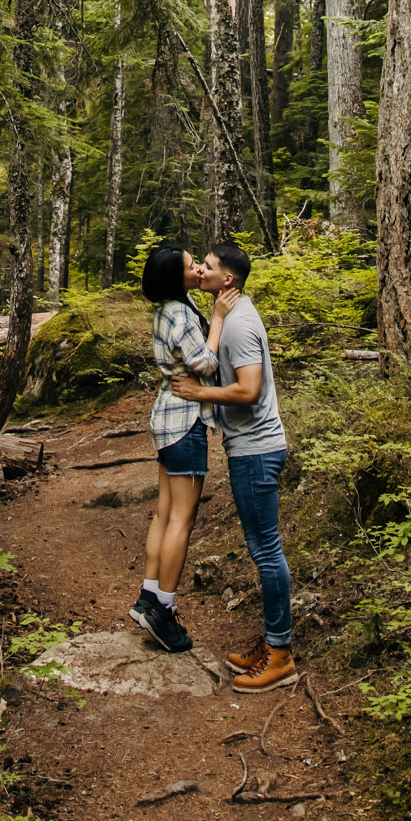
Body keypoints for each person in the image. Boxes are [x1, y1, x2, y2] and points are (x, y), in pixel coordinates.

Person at [173, 239, 296, 690]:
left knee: (266, 551)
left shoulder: (240, 323)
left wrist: (197, 393)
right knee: (263, 549)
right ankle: (272, 641)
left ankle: (281, 655)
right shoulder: (232, 315)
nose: (200, 272)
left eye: (206, 267)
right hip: (250, 448)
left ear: (227, 279)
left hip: (256, 451)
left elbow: (249, 390)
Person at [132, 242, 239, 655]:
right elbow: (207, 365)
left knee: (163, 513)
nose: (198, 270)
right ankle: (164, 609)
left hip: (166, 417)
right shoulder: (182, 313)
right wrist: (216, 318)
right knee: (183, 518)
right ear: (175, 278)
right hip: (186, 421)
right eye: (191, 266)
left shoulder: (167, 307)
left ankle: (148, 594)